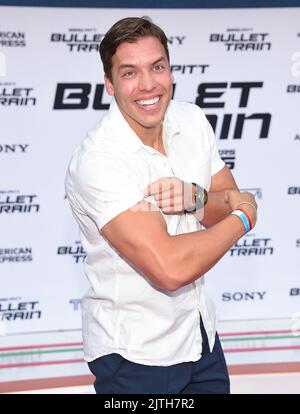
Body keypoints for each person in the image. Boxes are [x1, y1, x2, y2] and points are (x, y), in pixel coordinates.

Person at [65, 16, 257, 395]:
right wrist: (245, 217)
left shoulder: (192, 119)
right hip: (136, 355)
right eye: (130, 73)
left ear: (170, 70)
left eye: (157, 67)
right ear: (109, 84)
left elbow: (223, 200)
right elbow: (170, 268)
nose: (148, 84)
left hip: (200, 335)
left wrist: (196, 199)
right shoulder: (101, 162)